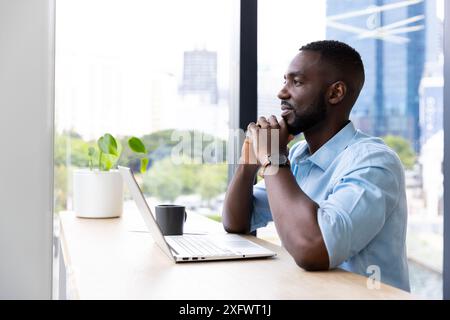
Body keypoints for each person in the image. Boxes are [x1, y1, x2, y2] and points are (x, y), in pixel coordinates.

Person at [222, 40, 410, 292]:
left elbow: (313, 249)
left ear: (335, 93)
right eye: (284, 81)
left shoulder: (374, 162)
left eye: (296, 82)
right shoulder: (299, 156)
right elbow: (237, 222)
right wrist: (249, 164)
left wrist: (274, 157)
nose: (282, 93)